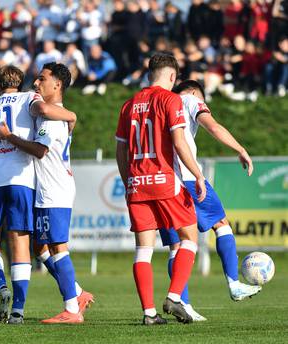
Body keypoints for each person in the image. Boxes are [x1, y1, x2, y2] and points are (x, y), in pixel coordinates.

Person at [0, 62, 94, 324]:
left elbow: (39, 150)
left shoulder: (50, 117)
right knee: (40, 247)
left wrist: (9, 136)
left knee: (58, 246)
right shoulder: (57, 115)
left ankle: (71, 308)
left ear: (57, 84)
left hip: (53, 189)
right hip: (48, 189)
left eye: (42, 79)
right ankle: (77, 292)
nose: (36, 83)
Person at [115, 53, 207, 325]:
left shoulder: (128, 105)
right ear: (172, 77)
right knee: (189, 238)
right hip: (166, 182)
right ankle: (175, 296)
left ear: (149, 74)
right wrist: (198, 174)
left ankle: (149, 313)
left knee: (144, 249)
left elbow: (121, 150)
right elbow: (179, 142)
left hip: (136, 185)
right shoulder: (171, 99)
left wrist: (128, 181)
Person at [158, 80, 262, 320]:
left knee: (176, 245)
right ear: (195, 93)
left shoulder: (158, 104)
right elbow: (213, 127)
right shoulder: (190, 100)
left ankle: (182, 302)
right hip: (187, 177)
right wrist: (240, 149)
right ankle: (234, 284)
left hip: (161, 182)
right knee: (221, 224)